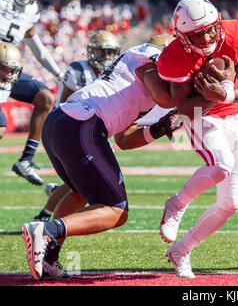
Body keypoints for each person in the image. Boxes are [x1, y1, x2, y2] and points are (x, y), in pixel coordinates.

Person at [20, 35, 180, 280]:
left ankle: (49, 254)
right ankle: (47, 230)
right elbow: (165, 97)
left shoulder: (131, 77)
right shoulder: (148, 59)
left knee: (79, 191)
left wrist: (157, 129)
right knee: (117, 210)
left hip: (61, 123)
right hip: (83, 123)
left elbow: (124, 139)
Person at [157, 0, 238, 279]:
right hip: (203, 117)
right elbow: (185, 110)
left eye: (211, 29)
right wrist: (213, 98)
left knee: (232, 203)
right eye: (198, 34)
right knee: (221, 165)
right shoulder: (174, 56)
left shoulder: (236, 32)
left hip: (235, 114)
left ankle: (182, 250)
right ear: (182, 36)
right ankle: (177, 203)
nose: (207, 37)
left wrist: (225, 92)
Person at [32, 30, 121, 222]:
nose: (106, 57)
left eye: (111, 52)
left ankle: (48, 216)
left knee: (80, 184)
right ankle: (46, 219)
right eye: (102, 52)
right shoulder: (78, 71)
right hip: (73, 128)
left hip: (97, 130)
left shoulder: (117, 72)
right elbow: (63, 106)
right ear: (91, 52)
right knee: (83, 183)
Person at [0, 0, 64, 186]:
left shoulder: (30, 10)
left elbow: (36, 45)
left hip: (7, 68)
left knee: (45, 97)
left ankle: (26, 160)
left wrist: (60, 74)